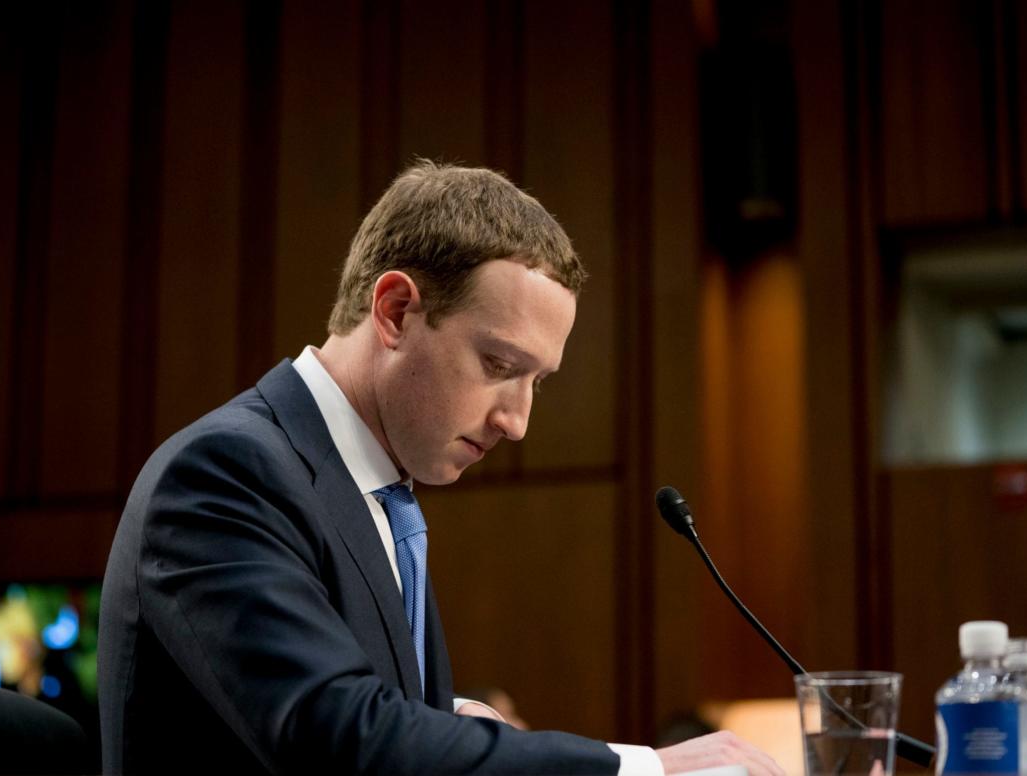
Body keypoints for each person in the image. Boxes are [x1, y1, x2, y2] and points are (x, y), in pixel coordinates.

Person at [98, 161, 784, 775]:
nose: (516, 421)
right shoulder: (227, 471)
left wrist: (447, 715)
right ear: (395, 311)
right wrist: (645, 770)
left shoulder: (378, 493)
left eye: (536, 382)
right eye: (499, 366)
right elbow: (338, 737)